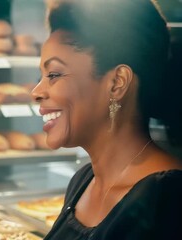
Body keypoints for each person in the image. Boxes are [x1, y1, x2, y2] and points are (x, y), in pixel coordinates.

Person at [31, 0, 182, 239]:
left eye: (54, 74)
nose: (36, 92)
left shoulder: (168, 200)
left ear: (117, 83)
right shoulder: (84, 181)